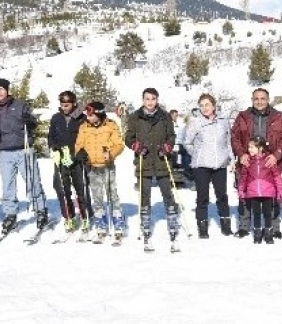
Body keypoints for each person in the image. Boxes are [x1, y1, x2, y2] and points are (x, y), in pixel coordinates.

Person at [0, 78, 48, 232]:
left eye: (2, 89)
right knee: (8, 185)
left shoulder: (20, 105)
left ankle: (41, 210)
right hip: (4, 151)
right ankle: (10, 214)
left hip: (23, 148)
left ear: (8, 90)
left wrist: (29, 121)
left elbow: (33, 122)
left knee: (32, 181)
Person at [231, 88, 282, 239]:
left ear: (268, 99)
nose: (259, 101)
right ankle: (244, 227)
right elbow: (235, 137)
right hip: (248, 162)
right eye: (256, 98)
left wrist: (276, 155)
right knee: (245, 194)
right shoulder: (243, 116)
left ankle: (274, 228)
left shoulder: (278, 116)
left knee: (273, 195)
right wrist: (241, 154)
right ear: (252, 100)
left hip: (270, 163)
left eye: (262, 98)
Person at [124, 88, 180, 243]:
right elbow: (128, 137)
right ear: (143, 100)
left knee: (167, 192)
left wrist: (167, 147)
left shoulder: (165, 116)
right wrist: (136, 146)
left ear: (157, 100)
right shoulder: (135, 117)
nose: (150, 102)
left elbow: (171, 136)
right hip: (144, 159)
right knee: (144, 193)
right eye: (147, 99)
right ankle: (145, 219)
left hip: (162, 160)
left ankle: (172, 217)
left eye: (153, 99)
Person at [183, 93, 233, 238]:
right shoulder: (196, 122)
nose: (204, 108)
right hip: (201, 165)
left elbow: (228, 142)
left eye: (207, 105)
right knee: (202, 196)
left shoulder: (223, 122)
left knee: (222, 195)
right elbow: (187, 142)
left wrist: (230, 158)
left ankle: (225, 225)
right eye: (202, 105)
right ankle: (202, 228)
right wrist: (197, 154)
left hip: (220, 164)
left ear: (214, 106)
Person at [75, 101, 125, 240]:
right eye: (87, 115)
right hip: (91, 166)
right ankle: (100, 221)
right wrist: (80, 153)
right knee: (97, 195)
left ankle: (118, 220)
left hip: (107, 166)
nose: (88, 117)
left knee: (111, 193)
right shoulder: (84, 127)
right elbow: (79, 144)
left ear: (98, 113)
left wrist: (111, 154)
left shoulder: (110, 125)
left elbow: (119, 145)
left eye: (91, 115)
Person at [48, 91, 91, 233]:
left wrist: (77, 155)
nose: (65, 107)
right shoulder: (56, 118)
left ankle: (85, 216)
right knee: (62, 188)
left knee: (80, 188)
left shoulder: (82, 118)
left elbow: (86, 140)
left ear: (73, 103)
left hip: (77, 159)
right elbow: (51, 137)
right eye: (62, 105)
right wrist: (54, 149)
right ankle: (69, 216)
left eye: (67, 105)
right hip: (61, 158)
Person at [238, 136, 282, 244]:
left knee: (268, 213)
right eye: (249, 147)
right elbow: (243, 178)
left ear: (261, 148)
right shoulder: (248, 161)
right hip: (253, 193)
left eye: (252, 147)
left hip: (267, 192)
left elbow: (276, 176)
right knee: (256, 213)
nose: (249, 149)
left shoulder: (269, 160)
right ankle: (257, 234)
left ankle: (268, 234)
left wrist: (280, 190)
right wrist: (241, 190)